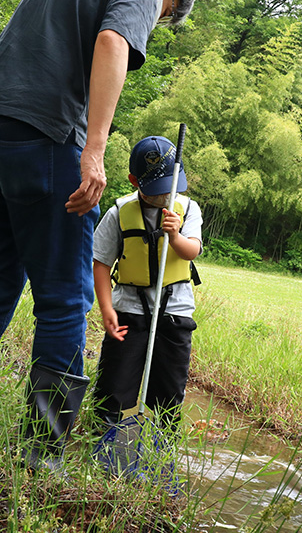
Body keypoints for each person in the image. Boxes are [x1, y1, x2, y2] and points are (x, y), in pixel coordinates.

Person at [0, 0, 198, 472]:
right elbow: (112, 41)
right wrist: (94, 148)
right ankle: (41, 452)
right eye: (163, 17)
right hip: (42, 139)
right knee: (63, 297)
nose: (154, 20)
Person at [92, 135, 202, 433]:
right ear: (134, 181)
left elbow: (192, 251)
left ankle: (162, 445)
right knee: (114, 383)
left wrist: (176, 236)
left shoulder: (187, 210)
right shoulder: (119, 213)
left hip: (175, 312)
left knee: (170, 387)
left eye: (170, 188)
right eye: (156, 190)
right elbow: (100, 263)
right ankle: (102, 437)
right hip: (129, 309)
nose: (165, 196)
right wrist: (106, 309)